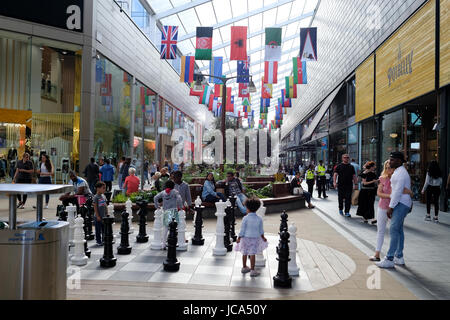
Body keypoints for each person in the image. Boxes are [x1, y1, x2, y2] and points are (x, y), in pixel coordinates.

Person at [369, 160, 413, 261]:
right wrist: (391, 195)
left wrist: (409, 193)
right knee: (381, 230)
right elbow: (379, 193)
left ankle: (397, 255)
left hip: (395, 208)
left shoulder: (398, 178)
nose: (389, 170)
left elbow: (407, 191)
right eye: (387, 168)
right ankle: (377, 254)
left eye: (391, 168)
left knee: (396, 231)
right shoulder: (382, 179)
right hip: (382, 207)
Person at [235, 196, 268, 277]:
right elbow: (261, 230)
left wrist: (239, 238)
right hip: (255, 238)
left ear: (248, 208)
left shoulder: (245, 218)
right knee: (252, 254)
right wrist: (263, 237)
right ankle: (252, 270)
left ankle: (244, 267)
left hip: (245, 238)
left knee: (245, 253)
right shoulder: (259, 218)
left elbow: (242, 230)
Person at [153, 180, 183, 248]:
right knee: (175, 227)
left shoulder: (163, 192)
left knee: (165, 228)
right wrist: (180, 207)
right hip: (174, 211)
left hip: (166, 211)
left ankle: (163, 244)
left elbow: (155, 198)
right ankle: (175, 242)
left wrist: (157, 206)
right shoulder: (175, 192)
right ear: (173, 186)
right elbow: (179, 199)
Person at [93, 181, 108, 246]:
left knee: (104, 229)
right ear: (98, 188)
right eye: (103, 188)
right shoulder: (96, 197)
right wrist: (97, 216)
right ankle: (98, 241)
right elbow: (95, 207)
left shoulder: (103, 196)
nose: (104, 189)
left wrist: (107, 213)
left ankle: (103, 240)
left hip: (104, 216)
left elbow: (105, 205)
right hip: (98, 216)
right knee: (98, 229)